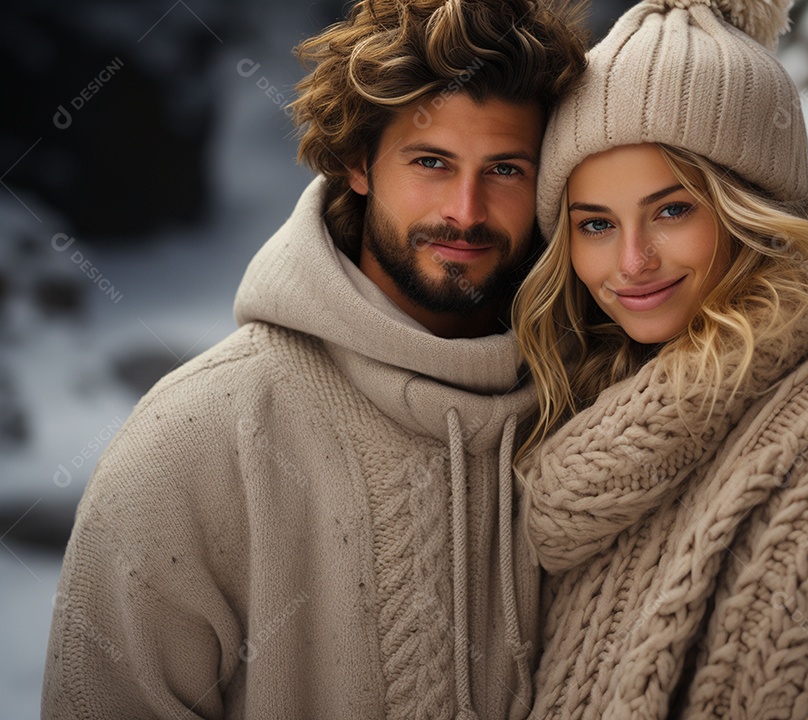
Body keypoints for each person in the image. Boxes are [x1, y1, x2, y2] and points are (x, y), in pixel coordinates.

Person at [41, 0, 586, 717]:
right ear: (358, 162)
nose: (466, 209)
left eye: (506, 169)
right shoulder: (192, 441)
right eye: (431, 162)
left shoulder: (593, 409)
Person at [511, 0, 808, 717]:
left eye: (673, 210)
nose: (632, 261)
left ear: (753, 209)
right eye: (596, 225)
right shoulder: (592, 412)